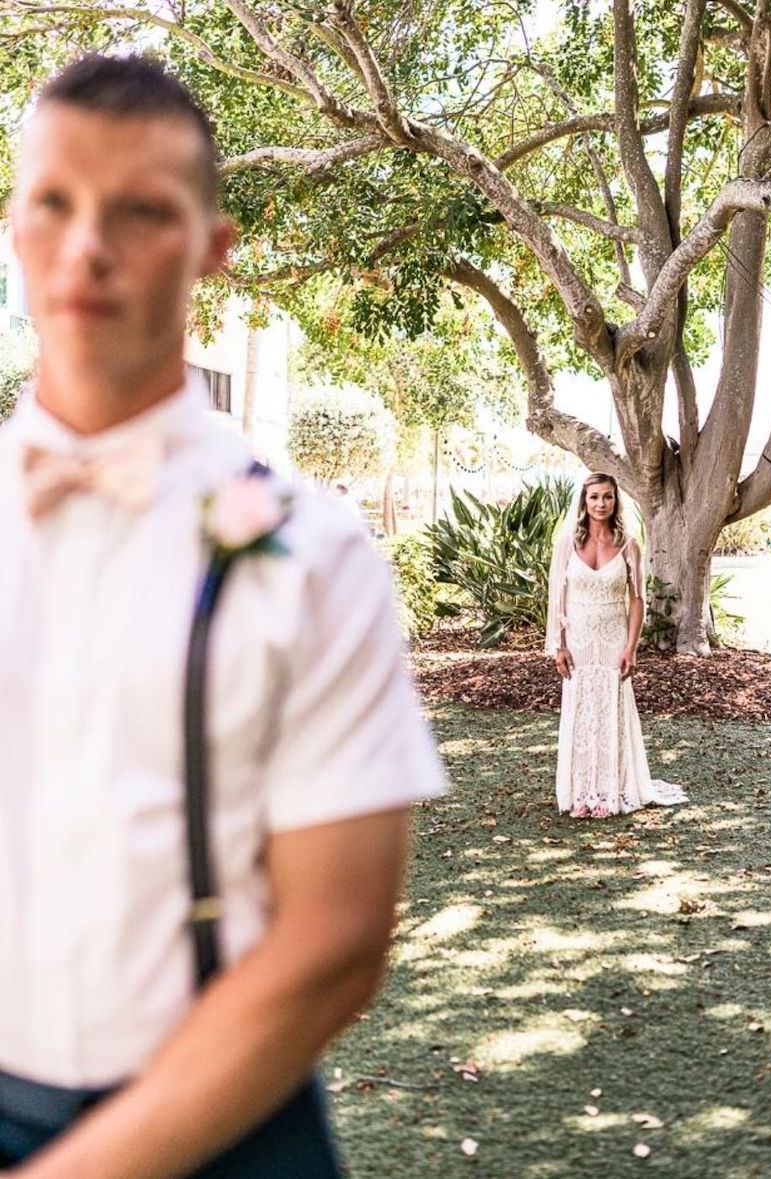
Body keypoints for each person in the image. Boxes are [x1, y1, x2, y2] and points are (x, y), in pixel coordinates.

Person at [0, 53, 446, 1175]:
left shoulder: (320, 558)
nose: (86, 248)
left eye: (140, 211)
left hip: (228, 1120)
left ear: (213, 248)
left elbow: (336, 942)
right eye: (54, 203)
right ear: (14, 226)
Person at [545, 472, 687, 818]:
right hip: (577, 636)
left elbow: (637, 599)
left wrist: (632, 647)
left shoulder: (629, 544)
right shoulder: (567, 543)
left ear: (615, 501)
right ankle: (581, 794)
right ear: (584, 501)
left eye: (607, 497)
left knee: (612, 710)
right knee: (580, 711)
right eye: (594, 497)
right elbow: (557, 598)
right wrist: (558, 646)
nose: (600, 504)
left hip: (613, 636)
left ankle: (612, 792)